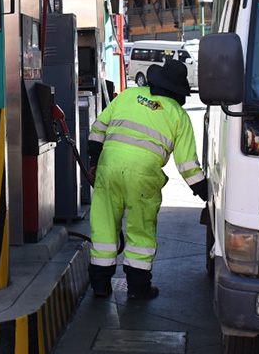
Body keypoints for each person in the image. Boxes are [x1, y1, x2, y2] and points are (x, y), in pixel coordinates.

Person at [87, 59, 208, 300]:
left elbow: (97, 130)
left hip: (108, 167)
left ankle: (100, 286)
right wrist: (207, 194)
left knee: (103, 226)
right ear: (179, 91)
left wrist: (95, 163)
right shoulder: (178, 115)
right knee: (140, 231)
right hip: (144, 176)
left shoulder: (127, 96)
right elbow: (187, 165)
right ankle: (138, 289)